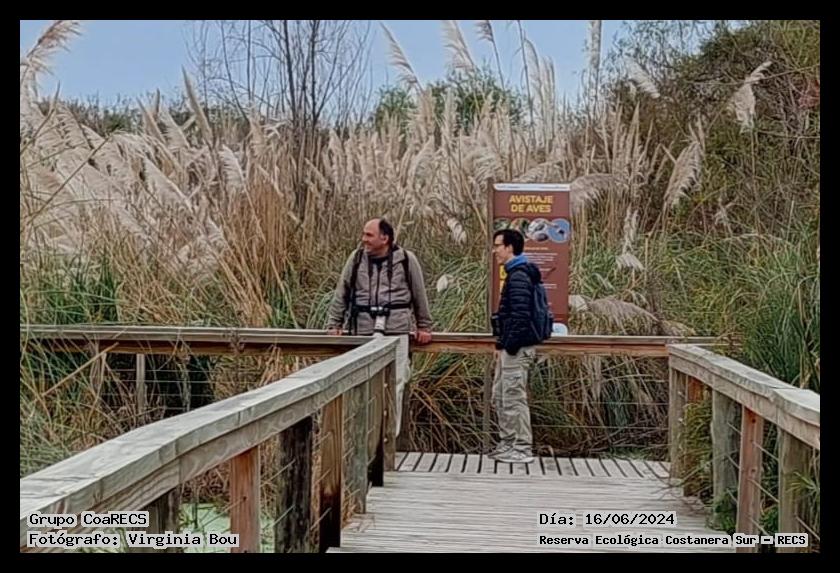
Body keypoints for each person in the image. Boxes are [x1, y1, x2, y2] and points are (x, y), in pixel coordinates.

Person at [326, 218, 433, 434]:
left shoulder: (406, 260)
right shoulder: (356, 259)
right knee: (362, 383)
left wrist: (424, 326)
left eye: (369, 235)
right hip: (363, 330)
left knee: (396, 383)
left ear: (385, 238)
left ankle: (389, 437)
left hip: (396, 330)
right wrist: (334, 324)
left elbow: (419, 293)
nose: (363, 239)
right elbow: (342, 292)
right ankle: (362, 436)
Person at [488, 228, 542, 464]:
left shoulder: (519, 276)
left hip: (518, 348)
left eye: (497, 246)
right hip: (511, 347)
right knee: (501, 395)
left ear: (509, 247)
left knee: (513, 397)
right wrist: (501, 344)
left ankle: (521, 447)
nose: (495, 251)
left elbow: (520, 316)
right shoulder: (516, 273)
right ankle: (508, 443)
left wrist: (508, 345)